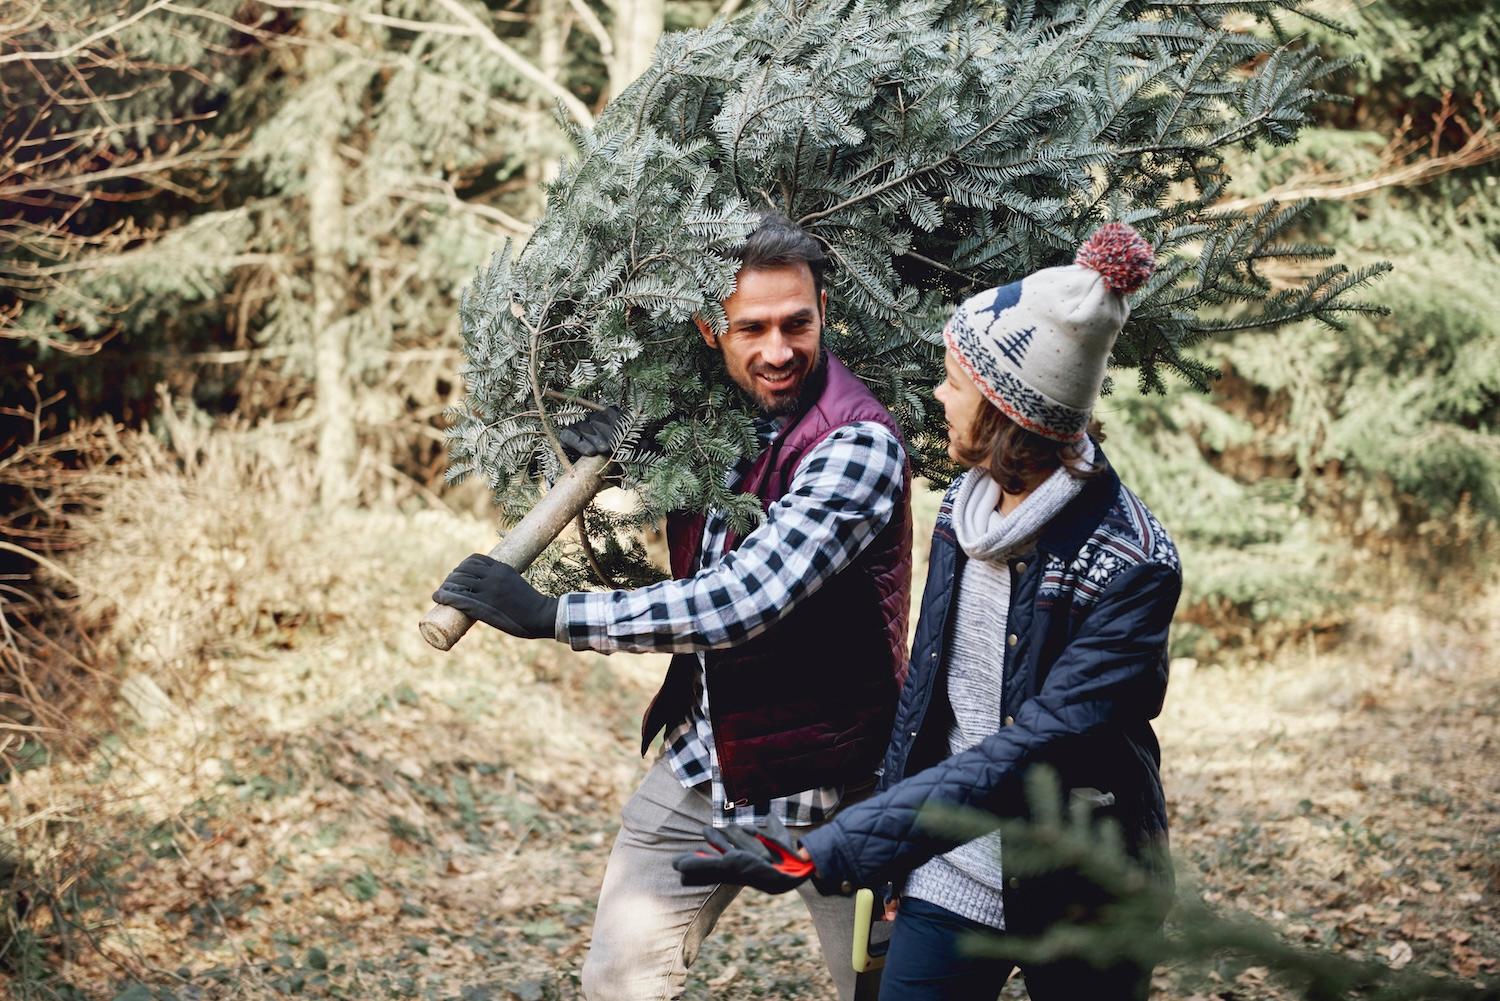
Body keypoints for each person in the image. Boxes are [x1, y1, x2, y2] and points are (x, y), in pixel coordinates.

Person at [674, 223, 1182, 1001]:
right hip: (951, 868)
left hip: (1085, 887)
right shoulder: (962, 508)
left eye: (955, 381)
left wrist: (833, 847)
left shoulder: (1133, 563)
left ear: (1009, 407)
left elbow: (1028, 751)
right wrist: (890, 847)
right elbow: (931, 696)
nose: (940, 394)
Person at [432, 212, 913, 1001]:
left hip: (838, 781)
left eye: (797, 323)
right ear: (708, 327)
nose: (778, 350)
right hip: (708, 762)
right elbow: (706, 489)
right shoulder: (716, 417)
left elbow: (744, 597)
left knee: (888, 992)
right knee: (618, 980)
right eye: (749, 327)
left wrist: (555, 615)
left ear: (825, 308)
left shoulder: (857, 444)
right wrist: (622, 443)